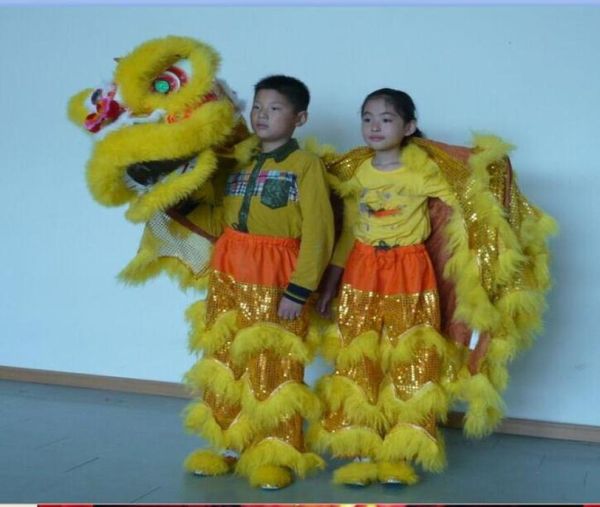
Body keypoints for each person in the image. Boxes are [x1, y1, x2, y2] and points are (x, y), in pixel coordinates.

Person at [308, 87, 556, 487]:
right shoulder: (356, 171)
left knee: (410, 356)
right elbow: (347, 232)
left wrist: (488, 232)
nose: (375, 126)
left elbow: (466, 202)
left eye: (386, 119)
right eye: (368, 117)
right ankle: (358, 442)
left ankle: (402, 449)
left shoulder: (422, 169)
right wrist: (330, 284)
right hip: (362, 270)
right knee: (358, 352)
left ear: (408, 127)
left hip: (409, 270)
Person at [181, 75, 335, 490]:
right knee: (226, 356)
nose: (261, 115)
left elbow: (320, 233)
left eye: (274, 108)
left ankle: (276, 451)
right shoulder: (237, 160)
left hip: (277, 274)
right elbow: (211, 211)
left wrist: (299, 290)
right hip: (230, 268)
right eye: (256, 107)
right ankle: (229, 443)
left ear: (299, 118)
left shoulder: (305, 166)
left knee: (276, 362)